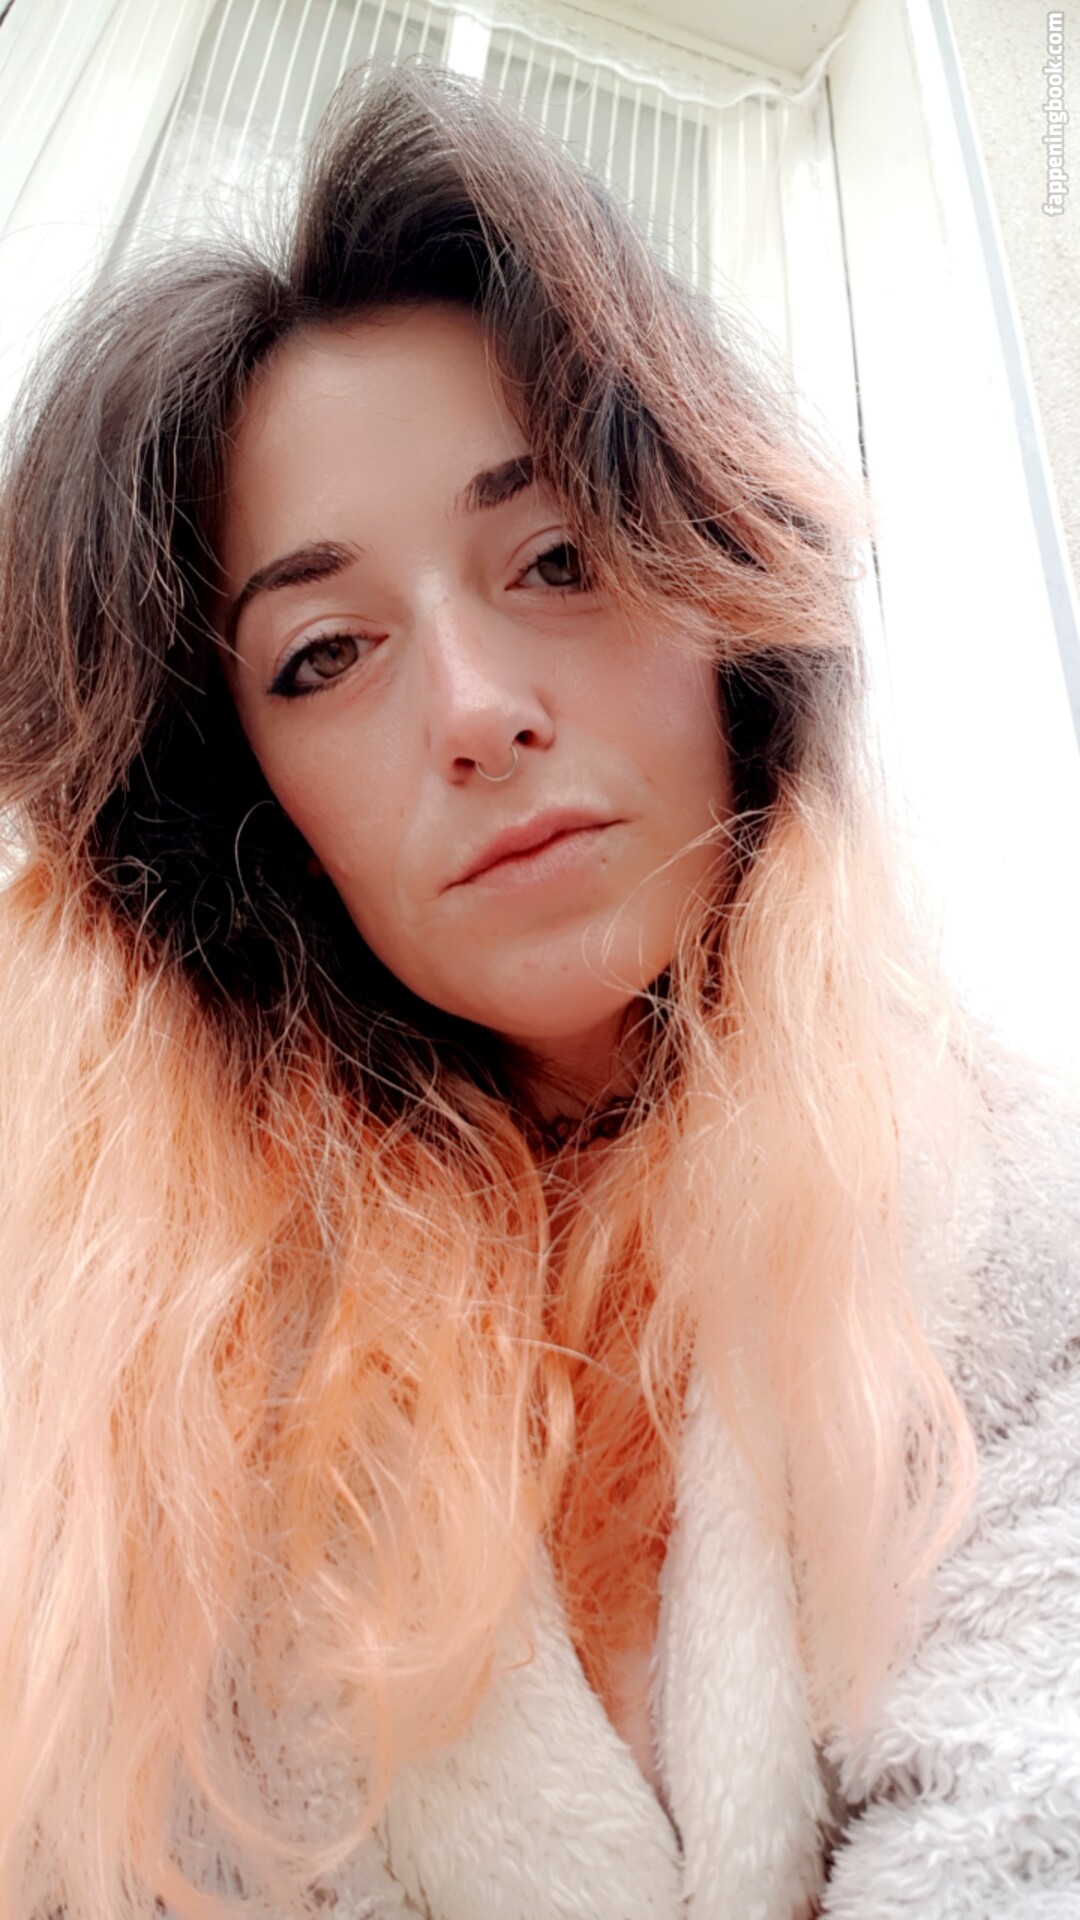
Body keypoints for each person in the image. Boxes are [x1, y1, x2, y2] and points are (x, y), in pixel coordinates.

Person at [0, 61, 1077, 1920]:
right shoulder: (122, 1371)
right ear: (247, 802)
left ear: (718, 598)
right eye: (324, 653)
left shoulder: (1006, 1223)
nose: (480, 708)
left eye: (560, 555)